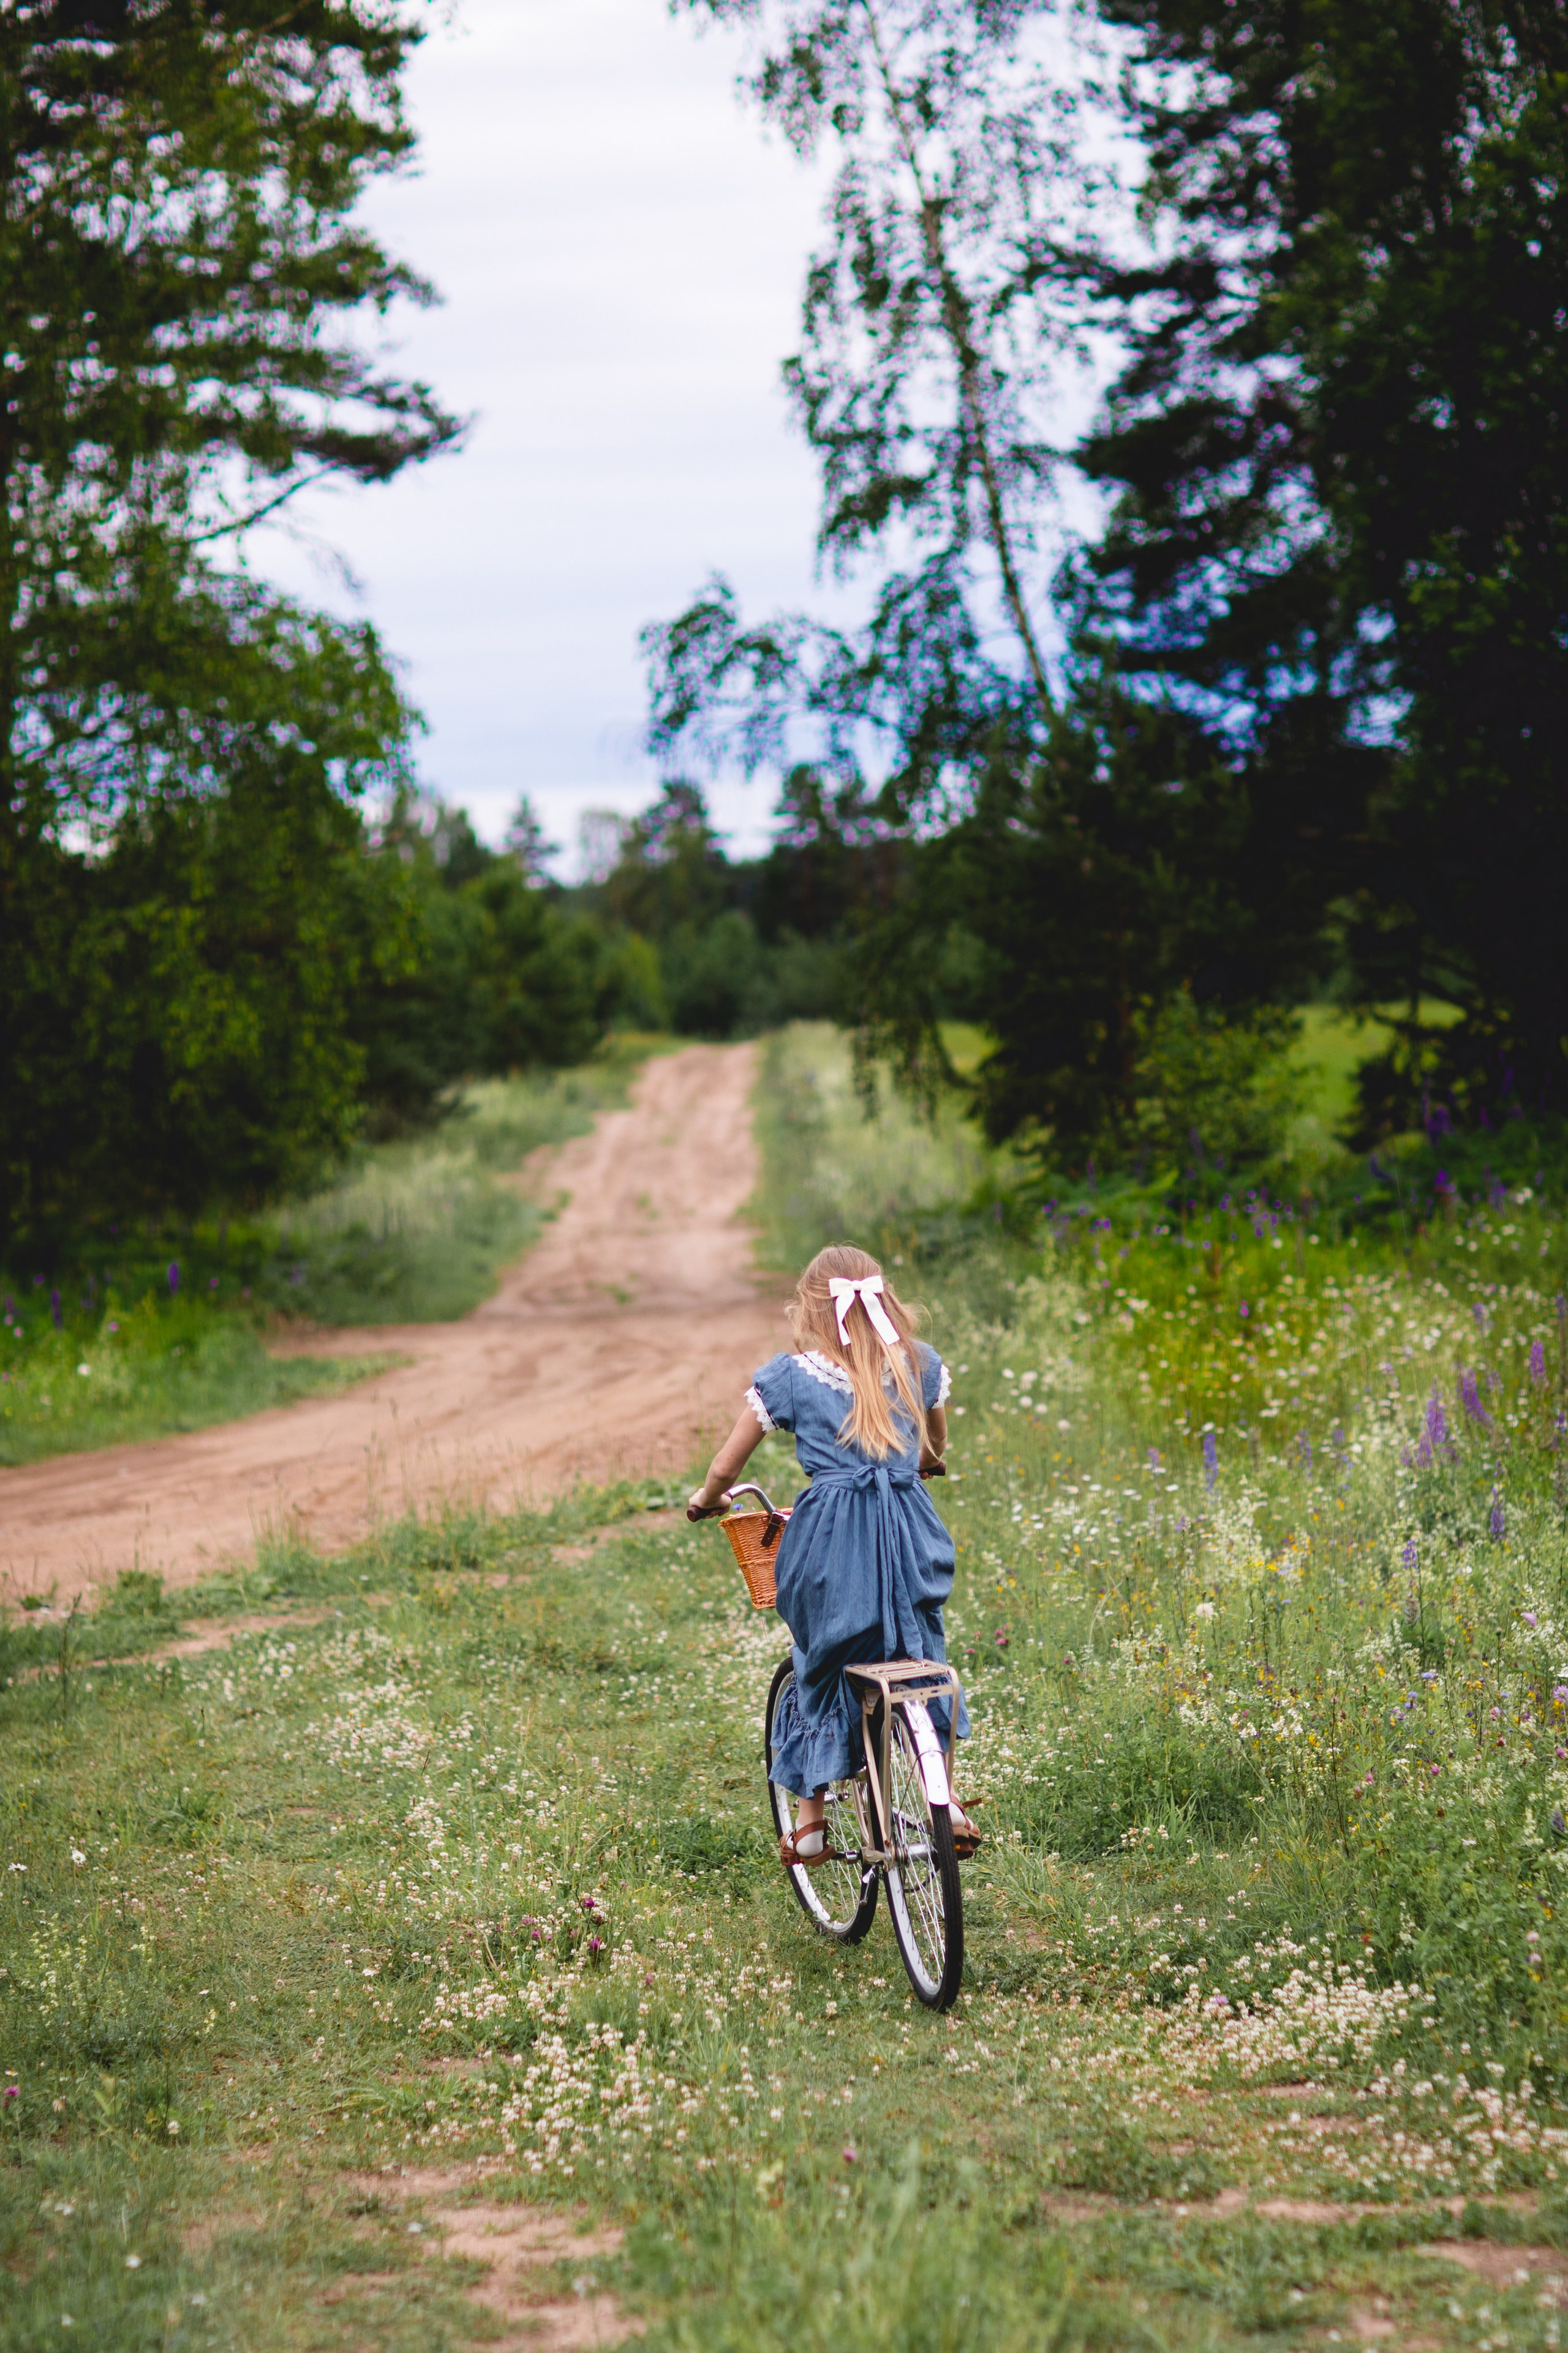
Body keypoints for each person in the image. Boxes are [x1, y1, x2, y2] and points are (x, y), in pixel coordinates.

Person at [688, 1242, 977, 1867]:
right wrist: (922, 1464)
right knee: (923, 1649)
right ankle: (946, 1799)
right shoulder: (919, 1364)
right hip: (907, 1528)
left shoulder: (792, 1375)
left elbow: (725, 1465)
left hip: (829, 1539)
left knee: (817, 1660)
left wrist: (706, 1497)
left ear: (813, 1309)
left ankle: (812, 1821)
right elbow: (933, 1443)